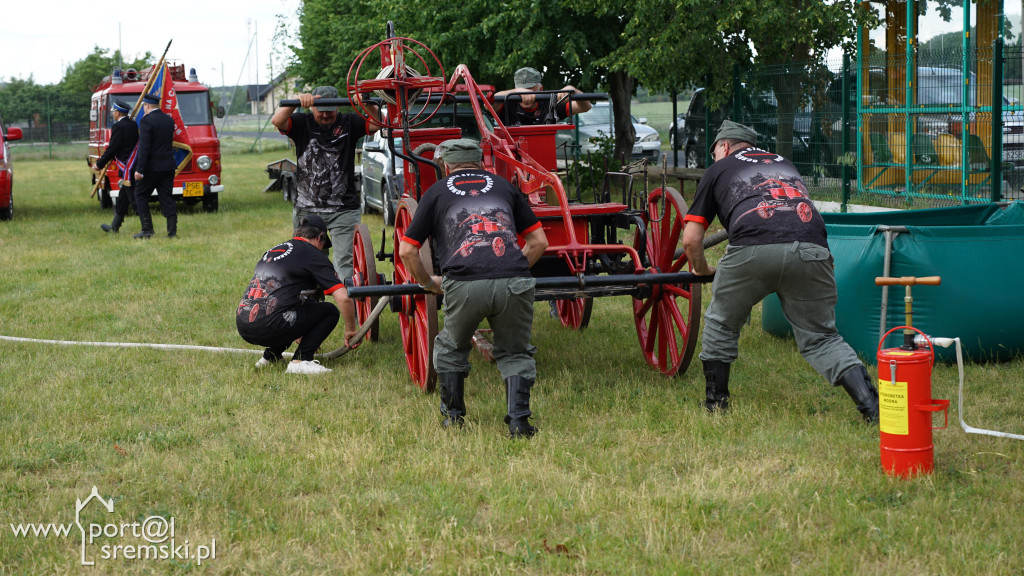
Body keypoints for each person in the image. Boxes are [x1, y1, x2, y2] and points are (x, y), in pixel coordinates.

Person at [681, 120, 879, 422]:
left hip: (752, 248)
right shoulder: (785, 164)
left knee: (721, 323)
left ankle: (716, 404)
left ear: (723, 147)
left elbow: (692, 239)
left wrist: (703, 269)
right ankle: (871, 407)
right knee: (822, 337)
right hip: (813, 247)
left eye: (714, 153)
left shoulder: (718, 169)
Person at [398, 139, 549, 437]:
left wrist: (427, 283)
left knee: (452, 348)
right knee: (516, 353)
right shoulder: (504, 186)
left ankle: (453, 418)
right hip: (513, 281)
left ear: (446, 165)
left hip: (463, 283)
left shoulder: (437, 191)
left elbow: (406, 251)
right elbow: (539, 242)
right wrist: (513, 271)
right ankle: (519, 422)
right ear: (480, 162)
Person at [270, 86, 383, 281]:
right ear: (312, 108)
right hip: (308, 209)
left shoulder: (349, 122)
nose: (324, 115)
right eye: (320, 110)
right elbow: (277, 120)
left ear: (338, 108)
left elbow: (379, 123)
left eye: (329, 110)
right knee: (309, 262)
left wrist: (366, 103)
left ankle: (348, 305)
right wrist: (297, 102)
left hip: (344, 209)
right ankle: (315, 305)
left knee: (345, 263)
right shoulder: (301, 123)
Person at [236, 215, 359, 375]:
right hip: (270, 324)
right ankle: (301, 360)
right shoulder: (313, 254)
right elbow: (343, 297)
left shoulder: (275, 250)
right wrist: (350, 329)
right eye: (323, 245)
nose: (322, 250)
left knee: (296, 309)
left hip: (244, 324)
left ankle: (270, 357)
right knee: (329, 311)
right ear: (320, 237)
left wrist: (300, 327)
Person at [133, 93, 178, 239]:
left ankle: (147, 230)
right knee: (167, 198)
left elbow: (144, 147)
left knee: (140, 195)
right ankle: (172, 232)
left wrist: (139, 170)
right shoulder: (169, 120)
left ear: (146, 106)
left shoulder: (146, 121)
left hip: (152, 168)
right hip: (168, 166)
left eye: (144, 107)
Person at [93, 99, 139, 234]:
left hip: (127, 168)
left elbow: (113, 148)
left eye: (114, 112)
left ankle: (147, 228)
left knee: (134, 200)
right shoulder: (132, 124)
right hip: (131, 165)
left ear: (118, 113)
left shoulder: (118, 127)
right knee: (122, 199)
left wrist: (99, 164)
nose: (113, 114)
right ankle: (115, 227)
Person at [493, 67, 592, 126]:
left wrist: (574, 91)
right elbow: (489, 103)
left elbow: (585, 107)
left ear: (540, 89)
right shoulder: (507, 101)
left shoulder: (551, 103)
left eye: (530, 88)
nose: (525, 92)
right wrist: (515, 92)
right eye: (522, 89)